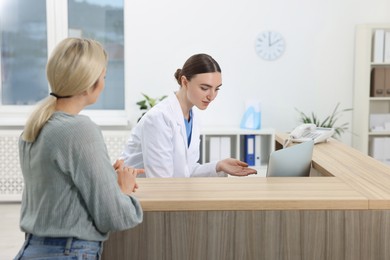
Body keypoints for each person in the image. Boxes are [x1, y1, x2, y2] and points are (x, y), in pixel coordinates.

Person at [14, 38, 143, 260]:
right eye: (103, 77)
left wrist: (105, 177)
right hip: (67, 252)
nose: (104, 84)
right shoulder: (80, 129)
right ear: (89, 83)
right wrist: (123, 189)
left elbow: (59, 194)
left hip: (33, 249)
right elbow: (114, 216)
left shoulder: (37, 125)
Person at [121, 53, 257, 178]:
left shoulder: (193, 117)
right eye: (205, 88)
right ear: (185, 82)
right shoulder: (158, 118)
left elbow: (187, 171)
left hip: (167, 193)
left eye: (217, 89)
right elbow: (161, 180)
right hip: (141, 196)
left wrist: (219, 165)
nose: (211, 96)